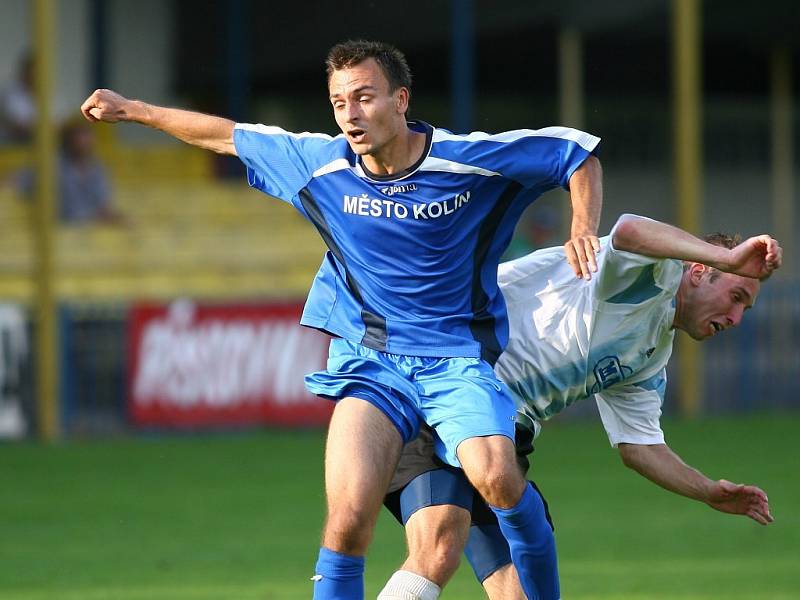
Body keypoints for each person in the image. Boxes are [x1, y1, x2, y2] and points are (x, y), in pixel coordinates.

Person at [80, 39, 604, 600]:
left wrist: (581, 225)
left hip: (458, 362)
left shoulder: (467, 160)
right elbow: (224, 135)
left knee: (499, 479)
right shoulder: (320, 163)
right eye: (338, 102)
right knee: (349, 519)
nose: (350, 115)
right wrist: (135, 109)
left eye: (364, 97)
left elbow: (575, 154)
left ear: (401, 100)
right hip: (372, 364)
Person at [378, 213, 780, 600]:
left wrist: (707, 490)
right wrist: (729, 258)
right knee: (438, 547)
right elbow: (628, 229)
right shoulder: (651, 277)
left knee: (518, 590)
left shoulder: (652, 351)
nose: (736, 318)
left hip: (503, 432)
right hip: (445, 386)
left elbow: (639, 446)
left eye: (746, 307)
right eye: (736, 296)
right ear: (697, 271)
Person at [17, 120, 124, 224]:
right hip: (59, 229)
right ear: (68, 140)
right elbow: (21, 182)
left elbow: (103, 205)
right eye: (80, 136)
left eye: (87, 135)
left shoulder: (97, 168)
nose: (85, 141)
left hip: (89, 230)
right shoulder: (51, 165)